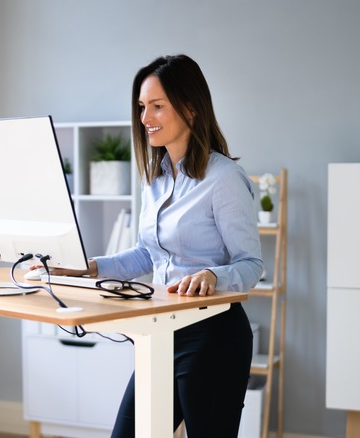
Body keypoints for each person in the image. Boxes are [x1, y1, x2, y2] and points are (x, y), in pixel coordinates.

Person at [46, 54, 263, 437]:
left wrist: (214, 274)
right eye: (143, 107)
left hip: (213, 336)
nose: (145, 118)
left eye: (157, 106)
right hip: (162, 332)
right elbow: (147, 254)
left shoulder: (224, 178)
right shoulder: (156, 179)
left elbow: (251, 265)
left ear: (191, 108)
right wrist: (86, 267)